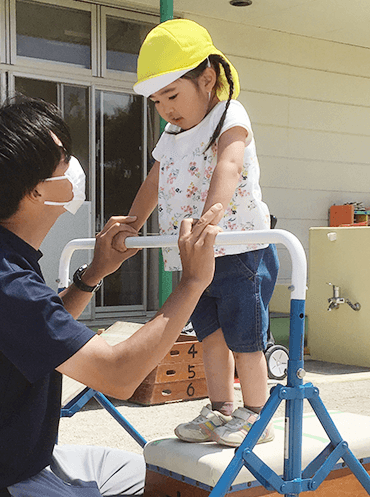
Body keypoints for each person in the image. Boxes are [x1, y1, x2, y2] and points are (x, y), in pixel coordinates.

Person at [0, 97, 223, 496]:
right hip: (0, 478)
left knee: (162, 475)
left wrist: (94, 273)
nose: (75, 166)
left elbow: (38, 333)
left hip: (30, 457)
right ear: (35, 191)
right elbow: (118, 375)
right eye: (64, 159)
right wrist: (191, 283)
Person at [113, 19, 279, 448]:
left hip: (236, 246)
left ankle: (257, 415)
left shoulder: (230, 114)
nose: (166, 108)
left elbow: (229, 165)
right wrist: (133, 222)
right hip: (192, 255)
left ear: (208, 79)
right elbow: (153, 181)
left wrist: (213, 216)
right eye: (156, 100)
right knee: (209, 336)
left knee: (245, 338)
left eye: (172, 94)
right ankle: (221, 409)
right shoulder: (171, 133)